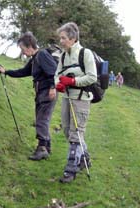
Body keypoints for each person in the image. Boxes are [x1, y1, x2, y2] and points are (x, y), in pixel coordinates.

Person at [0, 32, 57, 161]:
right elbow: (23, 72)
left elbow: (53, 71)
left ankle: (42, 149)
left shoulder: (42, 55)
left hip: (47, 92)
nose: (23, 52)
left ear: (30, 46)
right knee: (42, 120)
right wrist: (6, 71)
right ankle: (46, 147)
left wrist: (53, 87)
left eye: (23, 49)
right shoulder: (35, 59)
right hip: (41, 92)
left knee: (41, 120)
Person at [54, 22, 97, 183]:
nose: (61, 41)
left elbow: (92, 77)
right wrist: (58, 83)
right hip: (66, 98)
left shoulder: (85, 54)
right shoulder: (63, 55)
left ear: (72, 39)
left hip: (81, 98)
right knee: (67, 131)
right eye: (61, 38)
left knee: (75, 134)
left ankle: (71, 170)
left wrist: (72, 81)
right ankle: (84, 157)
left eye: (63, 38)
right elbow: (57, 74)